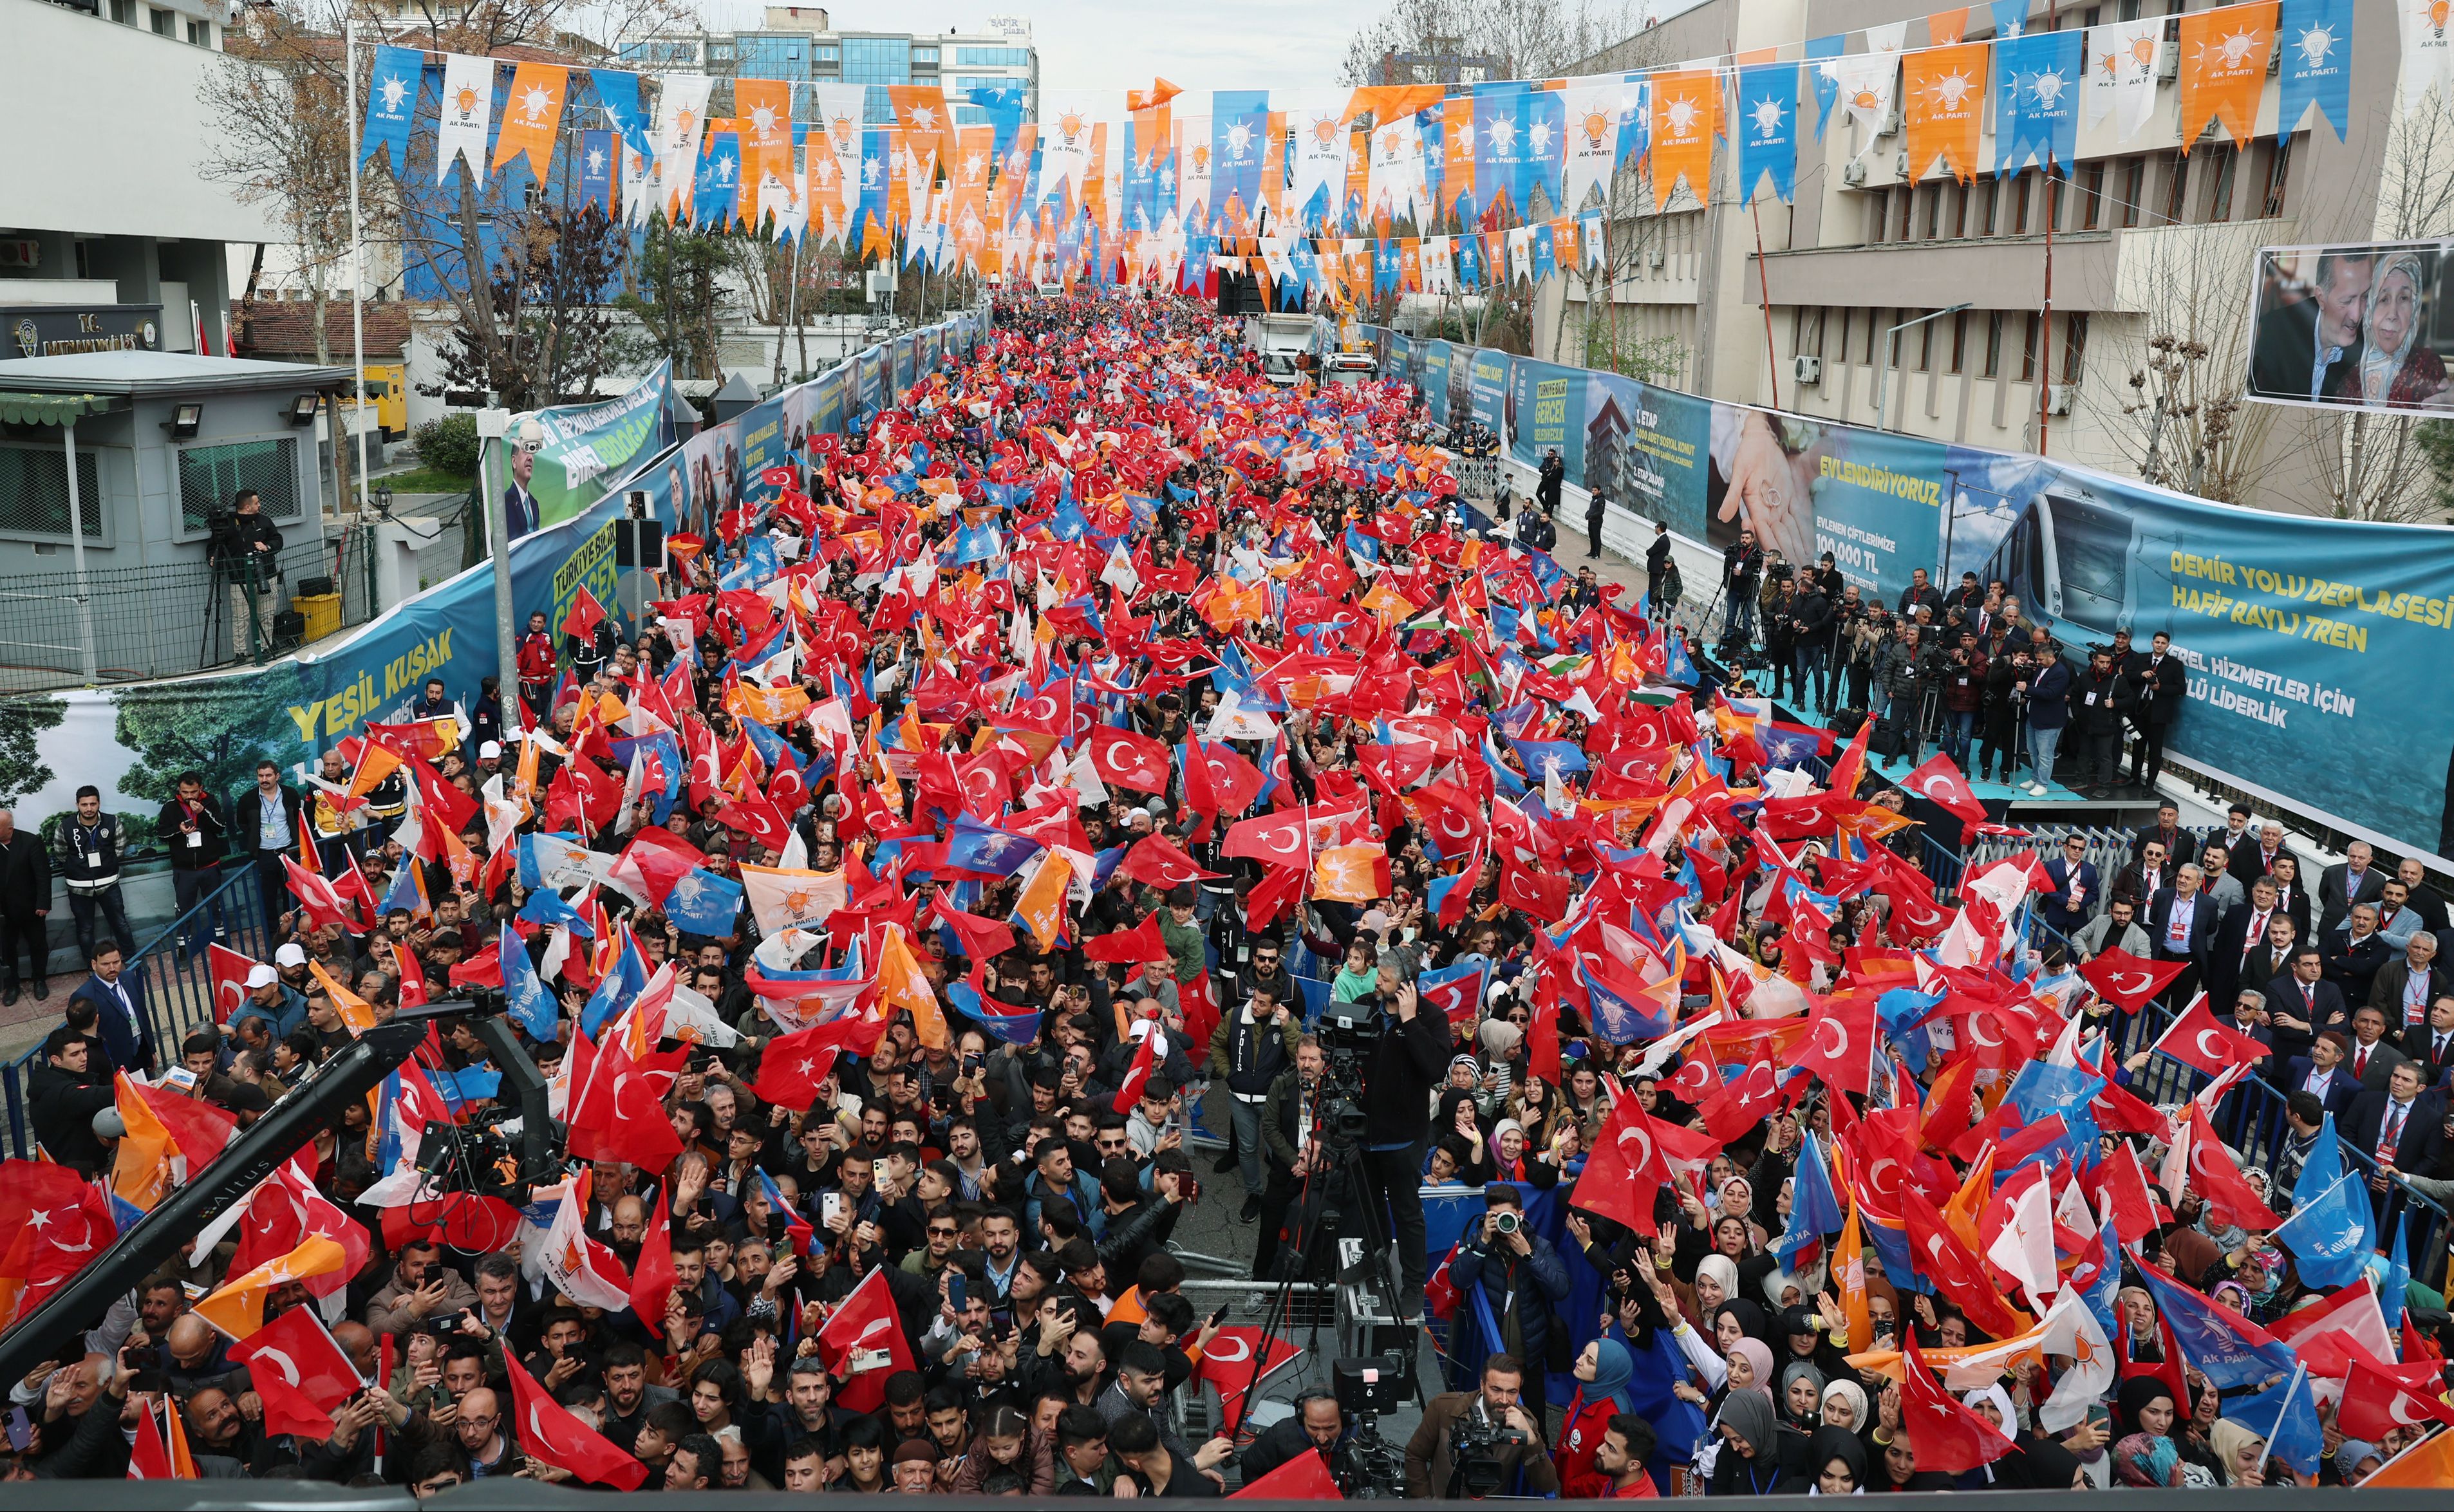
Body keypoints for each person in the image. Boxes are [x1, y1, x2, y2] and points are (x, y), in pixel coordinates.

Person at [1404, 1355, 1559, 1498]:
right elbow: (1415, 1455)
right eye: (1496, 1390)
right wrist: (1424, 1501)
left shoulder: (1525, 1424)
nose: (1504, 1400)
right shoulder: (1443, 1408)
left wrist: (1532, 1440)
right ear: (1482, 1385)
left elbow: (1547, 1484)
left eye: (1512, 1392)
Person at [2248, 250, 2370, 401]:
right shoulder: (2277, 331)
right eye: (2346, 301)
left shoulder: (2374, 343)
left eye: (2365, 297)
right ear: (2321, 297)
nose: (2357, 316)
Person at [2333, 250, 2448, 409]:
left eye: (2404, 298)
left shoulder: (2429, 368)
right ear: (2370, 308)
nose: (2392, 314)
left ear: (2414, 309)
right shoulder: (2349, 380)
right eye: (2383, 299)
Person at [52, 785, 136, 966]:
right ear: (77, 805)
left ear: (99, 803)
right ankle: (93, 967)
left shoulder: (112, 822)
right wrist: (78, 867)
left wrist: (107, 865)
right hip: (79, 888)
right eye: (84, 805)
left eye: (93, 804)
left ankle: (132, 960)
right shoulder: (65, 826)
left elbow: (120, 848)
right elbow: (61, 854)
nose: (89, 809)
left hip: (109, 885)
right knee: (85, 929)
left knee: (120, 924)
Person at [156, 770, 228, 957]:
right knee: (184, 910)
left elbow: (220, 827)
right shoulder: (170, 807)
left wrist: (202, 812)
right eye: (185, 792)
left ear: (201, 789)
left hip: (210, 866)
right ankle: (183, 949)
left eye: (193, 792)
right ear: (179, 790)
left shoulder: (210, 802)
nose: (189, 796)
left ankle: (221, 941)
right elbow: (161, 833)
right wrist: (178, 829)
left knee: (215, 906)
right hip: (184, 870)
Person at [232, 760, 305, 936]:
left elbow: (297, 816)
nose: (264, 779)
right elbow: (242, 823)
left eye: (268, 775)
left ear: (277, 776)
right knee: (269, 897)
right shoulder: (248, 799)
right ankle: (275, 935)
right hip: (265, 854)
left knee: (292, 894)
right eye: (261, 776)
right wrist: (254, 836)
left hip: (288, 852)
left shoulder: (290, 794)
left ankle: (295, 931)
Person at [212, 488, 284, 657]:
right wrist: (212, 558)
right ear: (247, 507)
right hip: (239, 578)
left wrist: (267, 547)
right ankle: (240, 653)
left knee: (267, 615)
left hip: (266, 575)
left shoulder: (265, 521)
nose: (260, 505)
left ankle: (266, 648)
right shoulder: (227, 525)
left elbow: (278, 539)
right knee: (240, 618)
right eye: (257, 503)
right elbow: (214, 546)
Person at [70, 942, 150, 1075]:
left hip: (141, 1055)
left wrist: (151, 1051)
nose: (112, 968)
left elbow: (142, 1015)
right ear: (94, 964)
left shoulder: (129, 978)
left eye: (116, 962)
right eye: (106, 964)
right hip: (114, 1063)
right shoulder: (84, 995)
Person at [0, 808, 50, 1005]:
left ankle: (40, 981)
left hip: (31, 907)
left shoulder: (30, 842)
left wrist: (43, 903)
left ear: (9, 829)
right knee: (7, 949)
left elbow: (43, 876)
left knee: (38, 945)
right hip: (3, 912)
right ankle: (12, 985)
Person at [1585, 486, 1607, 560]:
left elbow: (1601, 512)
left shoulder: (1601, 500)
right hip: (1591, 520)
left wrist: (1593, 516)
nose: (1593, 492)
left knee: (1596, 537)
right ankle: (1592, 551)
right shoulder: (1594, 499)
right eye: (1592, 490)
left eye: (1595, 490)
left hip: (1597, 521)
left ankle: (1597, 554)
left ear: (1599, 491)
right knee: (1591, 536)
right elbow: (1591, 509)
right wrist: (1587, 514)